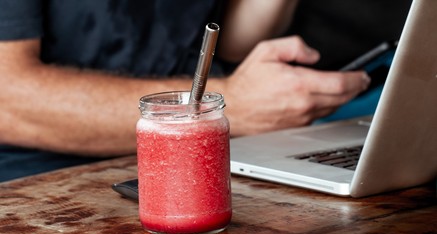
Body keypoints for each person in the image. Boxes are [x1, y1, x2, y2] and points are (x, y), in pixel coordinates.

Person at [0, 0, 370, 181]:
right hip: (42, 181)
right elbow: (7, 100)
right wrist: (232, 105)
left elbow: (230, 44)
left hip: (198, 161)